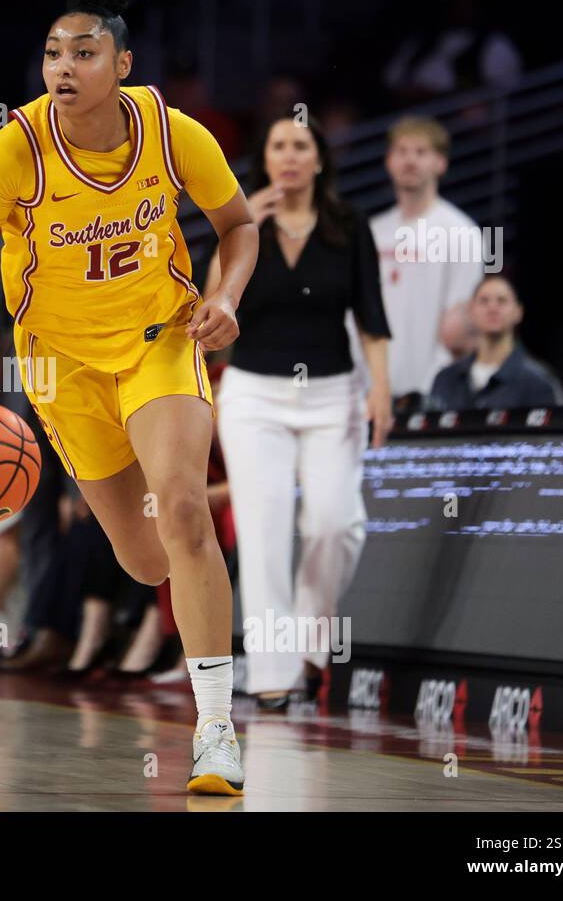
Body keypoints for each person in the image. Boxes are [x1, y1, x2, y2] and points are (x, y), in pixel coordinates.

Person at [0, 0, 257, 795]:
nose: (63, 69)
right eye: (52, 54)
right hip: (61, 365)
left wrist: (225, 296)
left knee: (185, 509)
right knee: (147, 559)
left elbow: (239, 226)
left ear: (122, 65)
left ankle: (216, 729)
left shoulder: (171, 130)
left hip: (160, 337)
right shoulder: (16, 148)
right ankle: (179, 597)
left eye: (83, 53)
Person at [213, 113, 392, 711]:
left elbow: (372, 316)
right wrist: (243, 231)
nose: (289, 156)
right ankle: (271, 671)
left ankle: (313, 638)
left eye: (300, 146)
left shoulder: (348, 224)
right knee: (262, 533)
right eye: (278, 147)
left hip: (333, 393)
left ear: (319, 158)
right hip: (254, 393)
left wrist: (381, 390)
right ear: (263, 160)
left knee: (335, 524)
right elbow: (216, 309)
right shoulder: (242, 223)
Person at [366, 116, 483, 400]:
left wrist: (440, 384)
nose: (410, 161)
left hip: (434, 391)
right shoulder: (372, 231)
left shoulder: (461, 231)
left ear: (441, 163)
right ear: (388, 161)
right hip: (372, 388)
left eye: (421, 152)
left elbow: (458, 321)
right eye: (402, 151)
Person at [428, 275, 563, 411]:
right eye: (484, 301)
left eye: (502, 301)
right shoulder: (445, 380)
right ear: (471, 311)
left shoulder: (537, 383)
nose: (492, 308)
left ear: (518, 312)